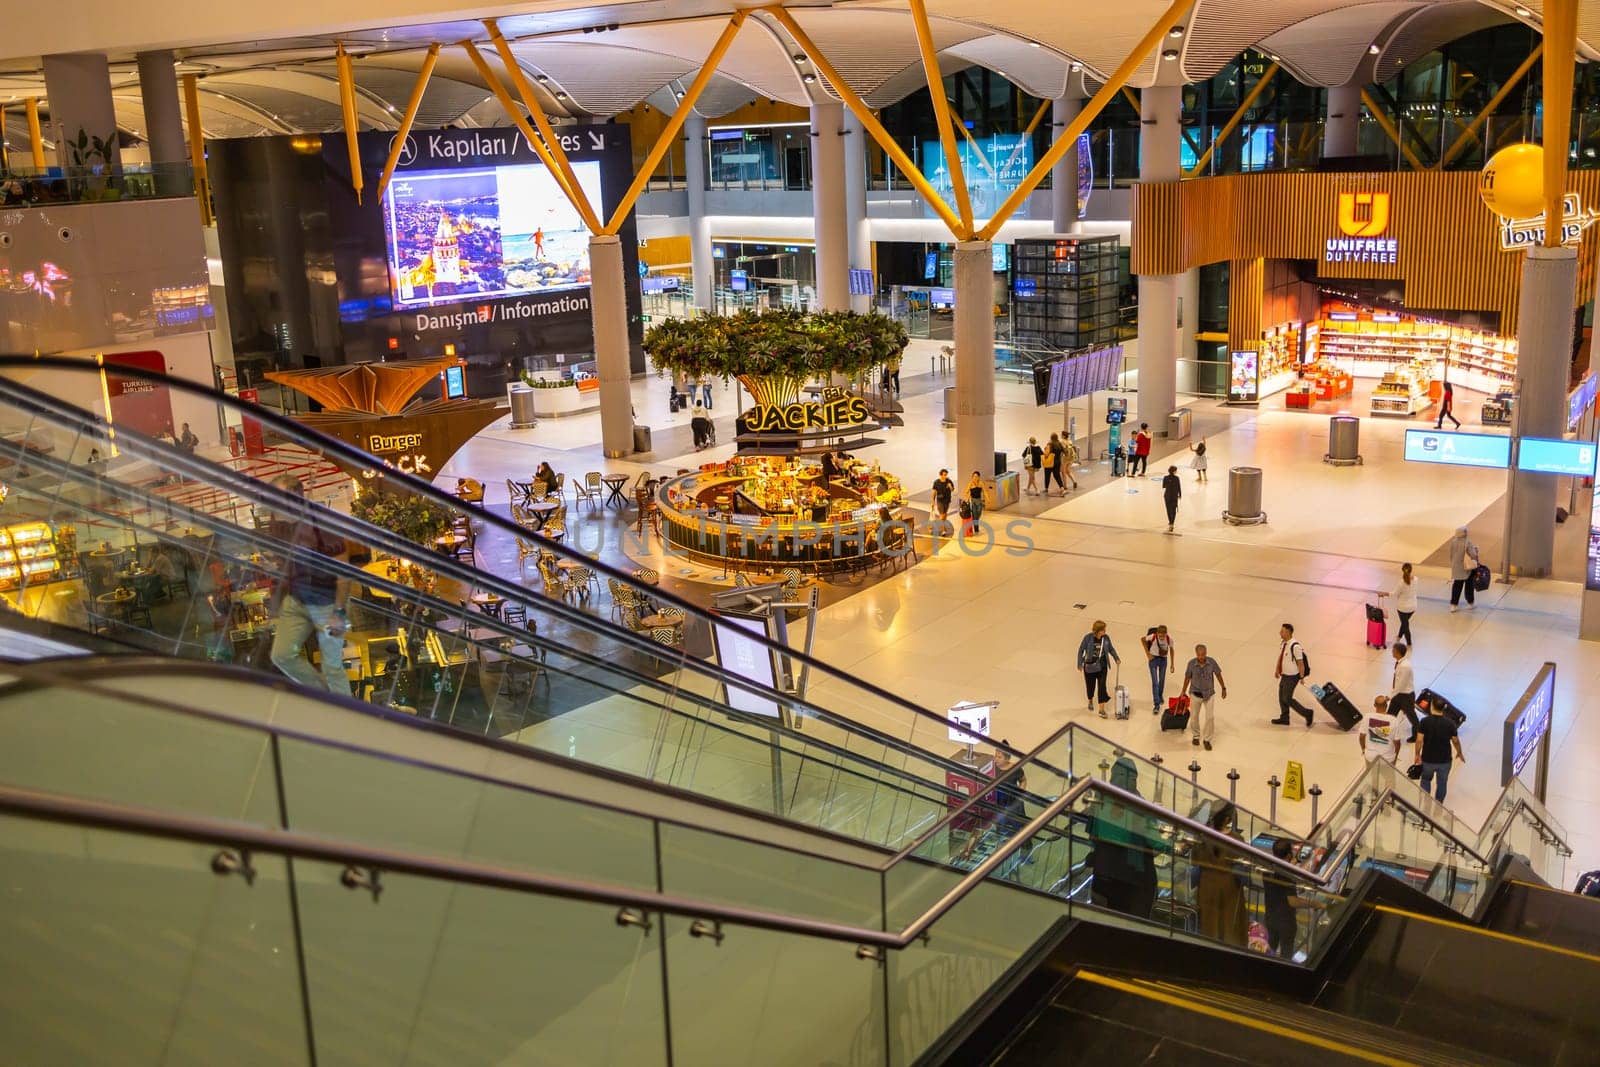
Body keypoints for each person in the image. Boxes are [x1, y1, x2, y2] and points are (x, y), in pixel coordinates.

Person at [266, 474, 351, 695]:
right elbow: (284, 562)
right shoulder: (276, 524)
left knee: (332, 667)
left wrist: (339, 611)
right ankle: (322, 695)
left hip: (327, 603)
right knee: (281, 655)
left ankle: (349, 716)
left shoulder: (322, 523)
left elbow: (343, 572)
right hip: (296, 601)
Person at [1088, 757, 1159, 920]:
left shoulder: (1099, 800)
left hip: (1104, 876)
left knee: (1105, 924)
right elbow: (1155, 842)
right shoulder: (1140, 806)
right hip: (1136, 882)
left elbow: (1092, 835)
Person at [1193, 802, 1248, 947]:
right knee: (1230, 927)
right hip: (1229, 888)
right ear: (1227, 820)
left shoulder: (1202, 836)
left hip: (1206, 886)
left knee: (1209, 925)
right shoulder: (1236, 840)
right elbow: (1244, 865)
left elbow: (1195, 860)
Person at [1261, 837, 1326, 959]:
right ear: (1289, 854)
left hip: (1270, 917)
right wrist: (1316, 904)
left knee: (1270, 951)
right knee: (1286, 954)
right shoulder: (1287, 875)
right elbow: (1293, 902)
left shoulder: (1267, 868)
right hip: (1285, 921)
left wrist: (1291, 865)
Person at [1413, 694, 1465, 802]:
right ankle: (1438, 804)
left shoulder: (1424, 722)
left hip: (1428, 759)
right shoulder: (1450, 723)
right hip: (1444, 760)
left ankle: (1426, 802)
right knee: (1442, 783)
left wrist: (1417, 754)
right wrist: (1459, 752)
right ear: (1444, 708)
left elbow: (1419, 740)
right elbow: (1455, 740)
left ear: (1431, 706)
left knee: (1426, 779)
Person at [1180, 643, 1227, 750]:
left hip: (1209, 694)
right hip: (1195, 694)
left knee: (1210, 717)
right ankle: (1196, 735)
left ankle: (1207, 739)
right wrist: (1183, 691)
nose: (1201, 657)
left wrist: (1223, 688)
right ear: (1196, 654)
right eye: (1199, 655)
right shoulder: (1191, 664)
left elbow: (1218, 674)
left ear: (1206, 653)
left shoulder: (1211, 662)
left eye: (1203, 654)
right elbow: (1187, 677)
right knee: (1194, 717)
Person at [1271, 623, 1315, 727]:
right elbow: (1281, 657)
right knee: (1281, 696)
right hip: (1285, 675)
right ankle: (1284, 718)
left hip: (1292, 676)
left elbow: (1300, 663)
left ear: (1288, 632)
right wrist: (1277, 669)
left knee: (1287, 698)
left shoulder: (1295, 647)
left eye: (1282, 631)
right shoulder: (1284, 643)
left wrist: (1302, 677)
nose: (1280, 633)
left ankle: (1307, 713)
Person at [1076, 620, 1121, 717]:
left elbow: (1111, 649)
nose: (1105, 631)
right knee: (1090, 686)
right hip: (1090, 666)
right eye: (1103, 630)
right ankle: (1090, 700)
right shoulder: (1088, 638)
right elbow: (1081, 650)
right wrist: (1079, 663)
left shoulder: (1106, 638)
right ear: (1097, 631)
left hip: (1102, 666)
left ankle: (1101, 709)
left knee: (1102, 687)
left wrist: (1116, 658)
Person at [1361, 695, 1405, 765]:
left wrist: (1363, 749)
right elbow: (1397, 743)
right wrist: (1395, 757)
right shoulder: (1394, 720)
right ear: (1386, 705)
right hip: (1387, 758)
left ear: (1374, 705)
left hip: (1370, 756)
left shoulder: (1367, 717)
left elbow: (1362, 736)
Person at [1141, 624, 1175, 714]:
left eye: (1163, 636)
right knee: (1155, 682)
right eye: (1160, 636)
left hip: (1163, 660)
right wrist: (1148, 654)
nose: (1161, 637)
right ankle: (1156, 704)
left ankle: (1160, 695)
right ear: (1157, 633)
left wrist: (1172, 664)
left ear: (1166, 634)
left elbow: (1171, 650)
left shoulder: (1169, 639)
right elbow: (1142, 639)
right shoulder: (1153, 637)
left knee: (1162, 680)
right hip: (1153, 660)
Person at [1389, 641, 1418, 736]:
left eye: (1393, 650)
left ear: (1398, 652)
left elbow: (1401, 684)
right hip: (1399, 695)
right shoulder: (1400, 663)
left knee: (1412, 717)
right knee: (1390, 715)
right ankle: (1386, 733)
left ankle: (1417, 734)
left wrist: (1390, 696)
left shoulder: (1405, 666)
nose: (1392, 652)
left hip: (1406, 696)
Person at [1448, 527, 1480, 612]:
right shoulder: (1467, 542)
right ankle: (1470, 603)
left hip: (1456, 567)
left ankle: (1454, 605)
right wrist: (1476, 550)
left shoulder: (1453, 542)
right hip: (1467, 568)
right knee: (1469, 586)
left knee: (1457, 586)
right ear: (1465, 533)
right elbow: (1473, 555)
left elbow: (1451, 555)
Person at [1386, 561, 1418, 647]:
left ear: (1402, 570)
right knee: (1405, 623)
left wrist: (1385, 594)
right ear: (1411, 570)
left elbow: (1395, 593)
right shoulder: (1416, 579)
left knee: (1405, 624)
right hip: (1413, 607)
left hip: (1402, 608)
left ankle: (1409, 643)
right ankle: (1399, 637)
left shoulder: (1401, 583)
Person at [1161, 465, 1181, 533]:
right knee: (1174, 510)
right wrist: (1180, 494)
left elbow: (1163, 486)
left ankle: (1170, 522)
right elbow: (1179, 487)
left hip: (1167, 496)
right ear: (1174, 471)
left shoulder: (1165, 477)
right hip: (1174, 496)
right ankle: (1172, 523)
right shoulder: (1177, 478)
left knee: (1168, 510)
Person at [964, 471, 985, 535]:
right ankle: (976, 529)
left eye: (977, 476)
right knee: (975, 514)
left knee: (979, 512)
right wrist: (968, 496)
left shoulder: (981, 483)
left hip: (979, 501)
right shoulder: (970, 484)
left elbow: (985, 491)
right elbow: (966, 492)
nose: (975, 478)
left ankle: (975, 521)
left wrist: (988, 498)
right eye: (974, 476)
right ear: (972, 477)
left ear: (979, 477)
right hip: (973, 501)